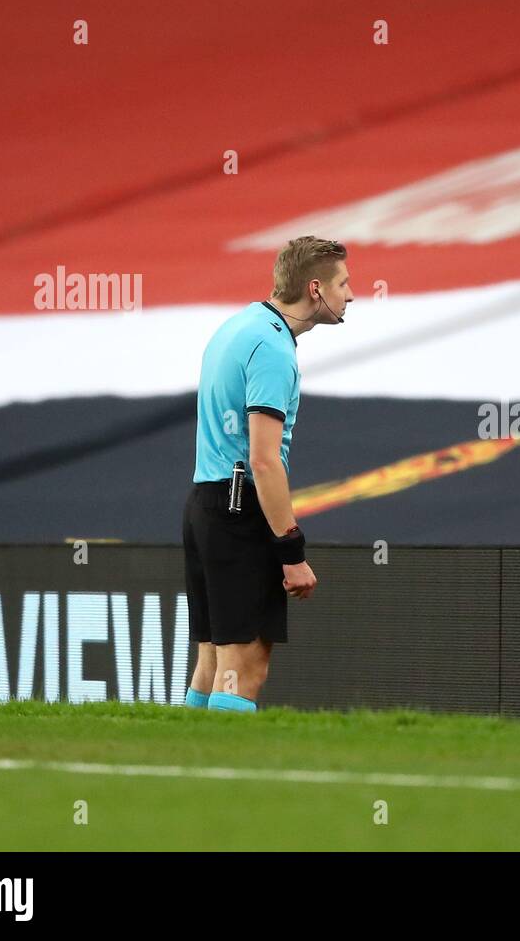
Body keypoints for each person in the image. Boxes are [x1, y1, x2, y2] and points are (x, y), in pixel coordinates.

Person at [181, 236, 354, 711]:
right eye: (344, 283)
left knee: (214, 661)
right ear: (315, 288)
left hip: (206, 503)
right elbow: (264, 460)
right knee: (246, 665)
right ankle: (219, 785)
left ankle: (181, 777)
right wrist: (291, 550)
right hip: (239, 509)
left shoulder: (238, 325)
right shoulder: (274, 349)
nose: (352, 294)